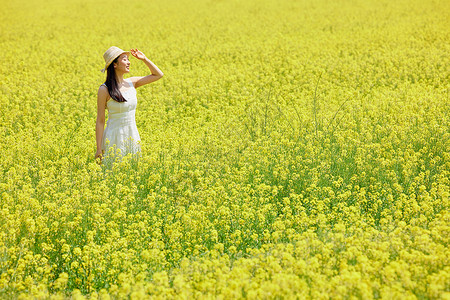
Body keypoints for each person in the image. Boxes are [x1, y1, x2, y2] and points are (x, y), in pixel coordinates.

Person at [95, 46, 163, 162]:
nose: (129, 62)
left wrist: (144, 59)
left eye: (128, 59)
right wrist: (98, 149)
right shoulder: (104, 89)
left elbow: (158, 74)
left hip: (132, 135)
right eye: (124, 59)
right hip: (114, 137)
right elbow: (100, 120)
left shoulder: (132, 82)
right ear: (114, 65)